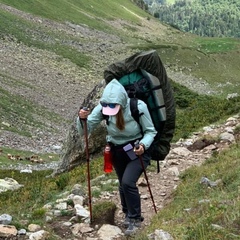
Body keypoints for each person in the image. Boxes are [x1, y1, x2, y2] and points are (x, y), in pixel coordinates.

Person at [77, 79, 157, 235]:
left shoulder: (138, 107)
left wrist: (143, 146)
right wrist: (82, 119)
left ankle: (135, 219)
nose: (109, 109)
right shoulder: (103, 108)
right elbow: (84, 130)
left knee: (128, 182)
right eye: (107, 106)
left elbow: (150, 131)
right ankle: (127, 214)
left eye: (114, 106)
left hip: (137, 151)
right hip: (116, 151)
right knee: (122, 183)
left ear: (122, 101)